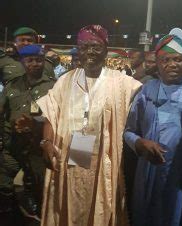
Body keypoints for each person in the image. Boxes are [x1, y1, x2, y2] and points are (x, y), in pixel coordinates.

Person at [37, 25, 141, 226]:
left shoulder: (122, 83)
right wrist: (47, 141)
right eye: (84, 47)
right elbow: (50, 112)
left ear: (106, 49)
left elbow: (143, 100)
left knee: (100, 206)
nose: (90, 52)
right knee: (70, 207)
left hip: (103, 162)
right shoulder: (65, 81)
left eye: (95, 46)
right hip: (68, 160)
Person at [124, 32, 182, 226]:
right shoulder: (146, 91)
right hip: (151, 173)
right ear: (157, 62)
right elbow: (129, 132)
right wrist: (140, 143)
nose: (172, 64)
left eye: (178, 59)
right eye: (165, 60)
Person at [0, 44, 55, 223]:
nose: (35, 64)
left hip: (37, 149)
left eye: (38, 60)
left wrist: (34, 125)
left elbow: (56, 118)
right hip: (12, 147)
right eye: (29, 60)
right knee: (4, 187)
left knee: (40, 189)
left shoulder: (53, 87)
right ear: (22, 62)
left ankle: (40, 217)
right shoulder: (12, 85)